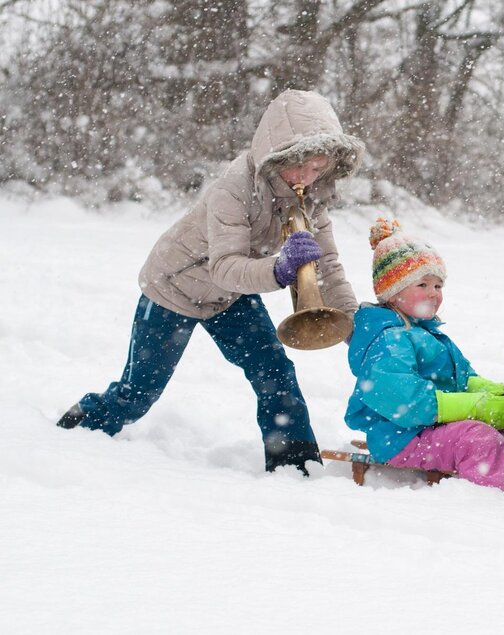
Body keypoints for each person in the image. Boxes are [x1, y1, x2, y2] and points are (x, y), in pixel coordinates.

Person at [56, 89, 364, 474]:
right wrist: (278, 270)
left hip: (231, 297)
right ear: (278, 155)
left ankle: (295, 464)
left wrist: (354, 322)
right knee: (139, 394)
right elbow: (224, 266)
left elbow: (328, 265)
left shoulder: (311, 197)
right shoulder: (233, 189)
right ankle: (82, 420)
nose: (306, 178)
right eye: (299, 167)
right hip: (174, 289)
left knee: (274, 371)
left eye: (318, 169)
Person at [344, 219, 504, 499]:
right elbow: (407, 403)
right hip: (404, 437)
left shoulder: (427, 334)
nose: (433, 293)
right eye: (422, 284)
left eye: (438, 285)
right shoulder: (389, 340)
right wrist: (477, 407)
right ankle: (502, 504)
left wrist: (494, 393)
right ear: (393, 292)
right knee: (479, 440)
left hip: (435, 428)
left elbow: (463, 377)